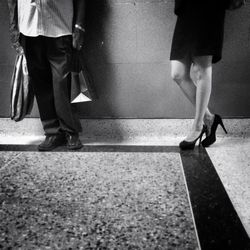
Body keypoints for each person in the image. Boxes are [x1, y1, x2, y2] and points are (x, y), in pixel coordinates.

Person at [7, 0, 86, 151]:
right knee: (39, 82)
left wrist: (79, 25)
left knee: (63, 82)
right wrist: (13, 24)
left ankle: (70, 131)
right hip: (28, 26)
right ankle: (52, 132)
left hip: (60, 24)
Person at [170, 0, 231, 150]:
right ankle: (209, 118)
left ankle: (198, 126)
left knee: (201, 69)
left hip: (208, 8)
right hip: (186, 10)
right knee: (177, 73)